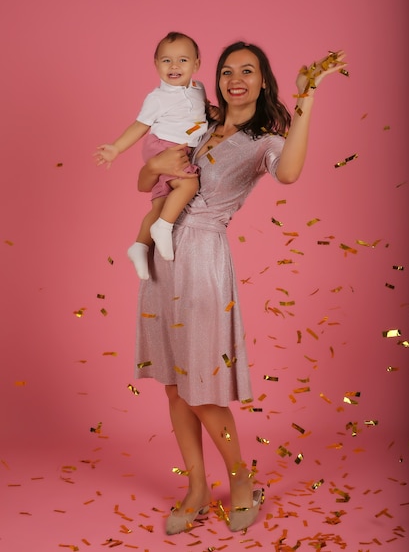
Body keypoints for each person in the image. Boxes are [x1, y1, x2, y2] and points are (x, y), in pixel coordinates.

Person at [135, 42, 347, 535]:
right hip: (161, 255)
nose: (236, 79)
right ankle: (196, 487)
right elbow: (146, 178)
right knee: (173, 387)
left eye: (247, 72)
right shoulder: (198, 124)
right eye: (228, 71)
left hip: (203, 259)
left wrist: (307, 102)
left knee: (202, 388)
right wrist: (155, 167)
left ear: (263, 82)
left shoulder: (265, 142)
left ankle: (241, 480)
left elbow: (290, 172)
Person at [94, 32, 208, 279]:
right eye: (166, 60)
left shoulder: (199, 88)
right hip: (164, 146)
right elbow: (139, 126)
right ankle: (163, 227)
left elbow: (201, 113)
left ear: (197, 64)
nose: (174, 66)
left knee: (160, 203)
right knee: (189, 184)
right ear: (156, 64)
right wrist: (116, 148)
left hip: (179, 146)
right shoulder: (157, 98)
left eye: (183, 60)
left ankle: (139, 246)